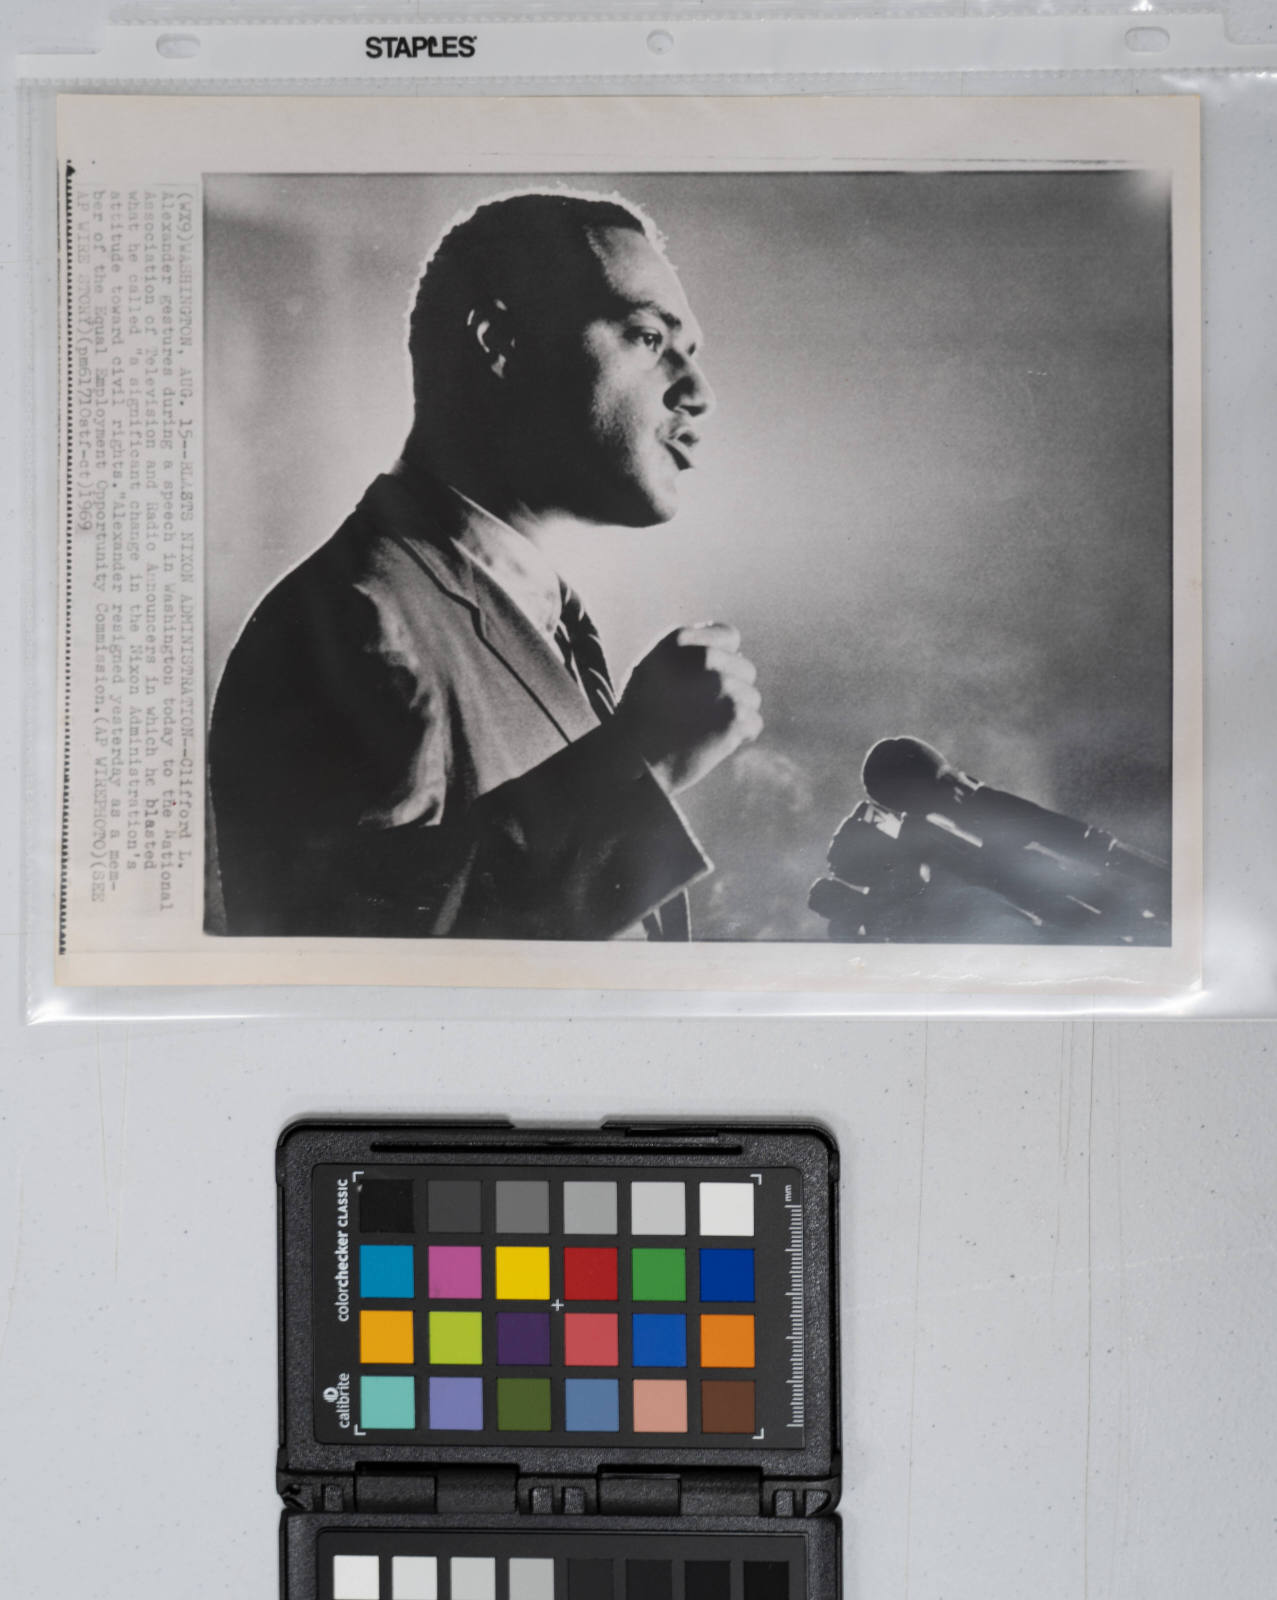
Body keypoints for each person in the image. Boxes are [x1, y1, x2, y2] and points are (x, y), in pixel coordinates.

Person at [207, 189, 763, 939]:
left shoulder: (530, 612)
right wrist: (637, 758)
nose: (699, 392)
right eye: (646, 337)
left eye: (690, 351)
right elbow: (365, 982)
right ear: (500, 342)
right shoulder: (357, 618)